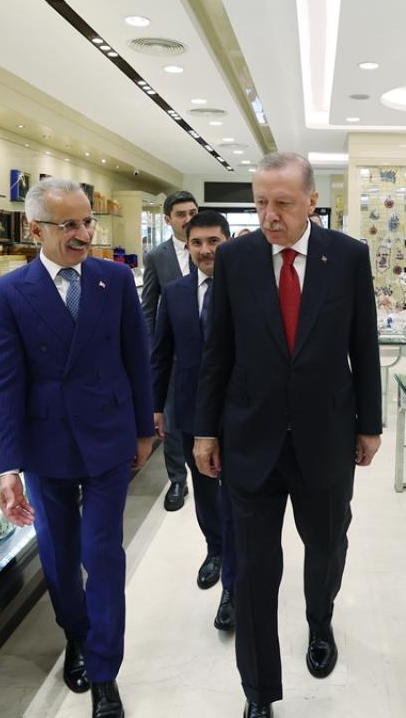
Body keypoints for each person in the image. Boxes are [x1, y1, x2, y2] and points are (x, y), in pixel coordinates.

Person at [194, 153, 382, 718]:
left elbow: (363, 344)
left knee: (326, 545)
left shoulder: (347, 256)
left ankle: (319, 621)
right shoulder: (235, 258)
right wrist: (204, 430)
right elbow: (217, 350)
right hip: (250, 437)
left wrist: (370, 424)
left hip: (326, 435)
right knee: (253, 570)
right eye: (260, 203)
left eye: (283, 203)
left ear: (311, 202)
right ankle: (258, 692)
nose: (269, 215)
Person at [0, 177, 155, 718]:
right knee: (59, 556)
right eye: (69, 225)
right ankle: (76, 635)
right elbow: (4, 383)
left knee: (102, 554)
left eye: (87, 222)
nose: (83, 234)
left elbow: (137, 357)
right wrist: (7, 467)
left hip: (108, 435)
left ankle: (105, 670)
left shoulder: (115, 279)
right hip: (47, 443)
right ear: (34, 229)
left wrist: (144, 430)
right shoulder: (9, 293)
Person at [150, 209, 237, 631]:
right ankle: (215, 548)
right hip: (189, 409)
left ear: (228, 242)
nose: (205, 250)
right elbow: (161, 353)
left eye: (213, 241)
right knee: (204, 489)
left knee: (237, 496)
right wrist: (154, 408)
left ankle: (233, 585)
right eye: (197, 243)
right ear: (186, 246)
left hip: (238, 413)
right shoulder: (175, 293)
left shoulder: (247, 289)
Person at [141, 192, 199, 515]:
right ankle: (177, 479)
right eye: (181, 214)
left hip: (211, 349)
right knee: (171, 418)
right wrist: (154, 354)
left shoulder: (215, 248)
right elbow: (149, 308)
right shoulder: (157, 257)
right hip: (174, 352)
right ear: (167, 220)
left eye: (193, 212)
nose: (189, 219)